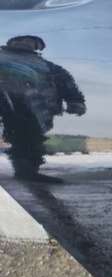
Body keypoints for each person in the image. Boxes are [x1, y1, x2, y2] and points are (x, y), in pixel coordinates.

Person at [0, 35, 86, 179]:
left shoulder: (47, 66)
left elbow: (65, 82)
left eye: (31, 42)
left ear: (37, 47)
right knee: (26, 133)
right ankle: (26, 170)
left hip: (31, 110)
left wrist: (75, 101)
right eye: (21, 40)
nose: (25, 43)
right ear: (11, 43)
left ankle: (27, 171)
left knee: (29, 135)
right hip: (9, 104)